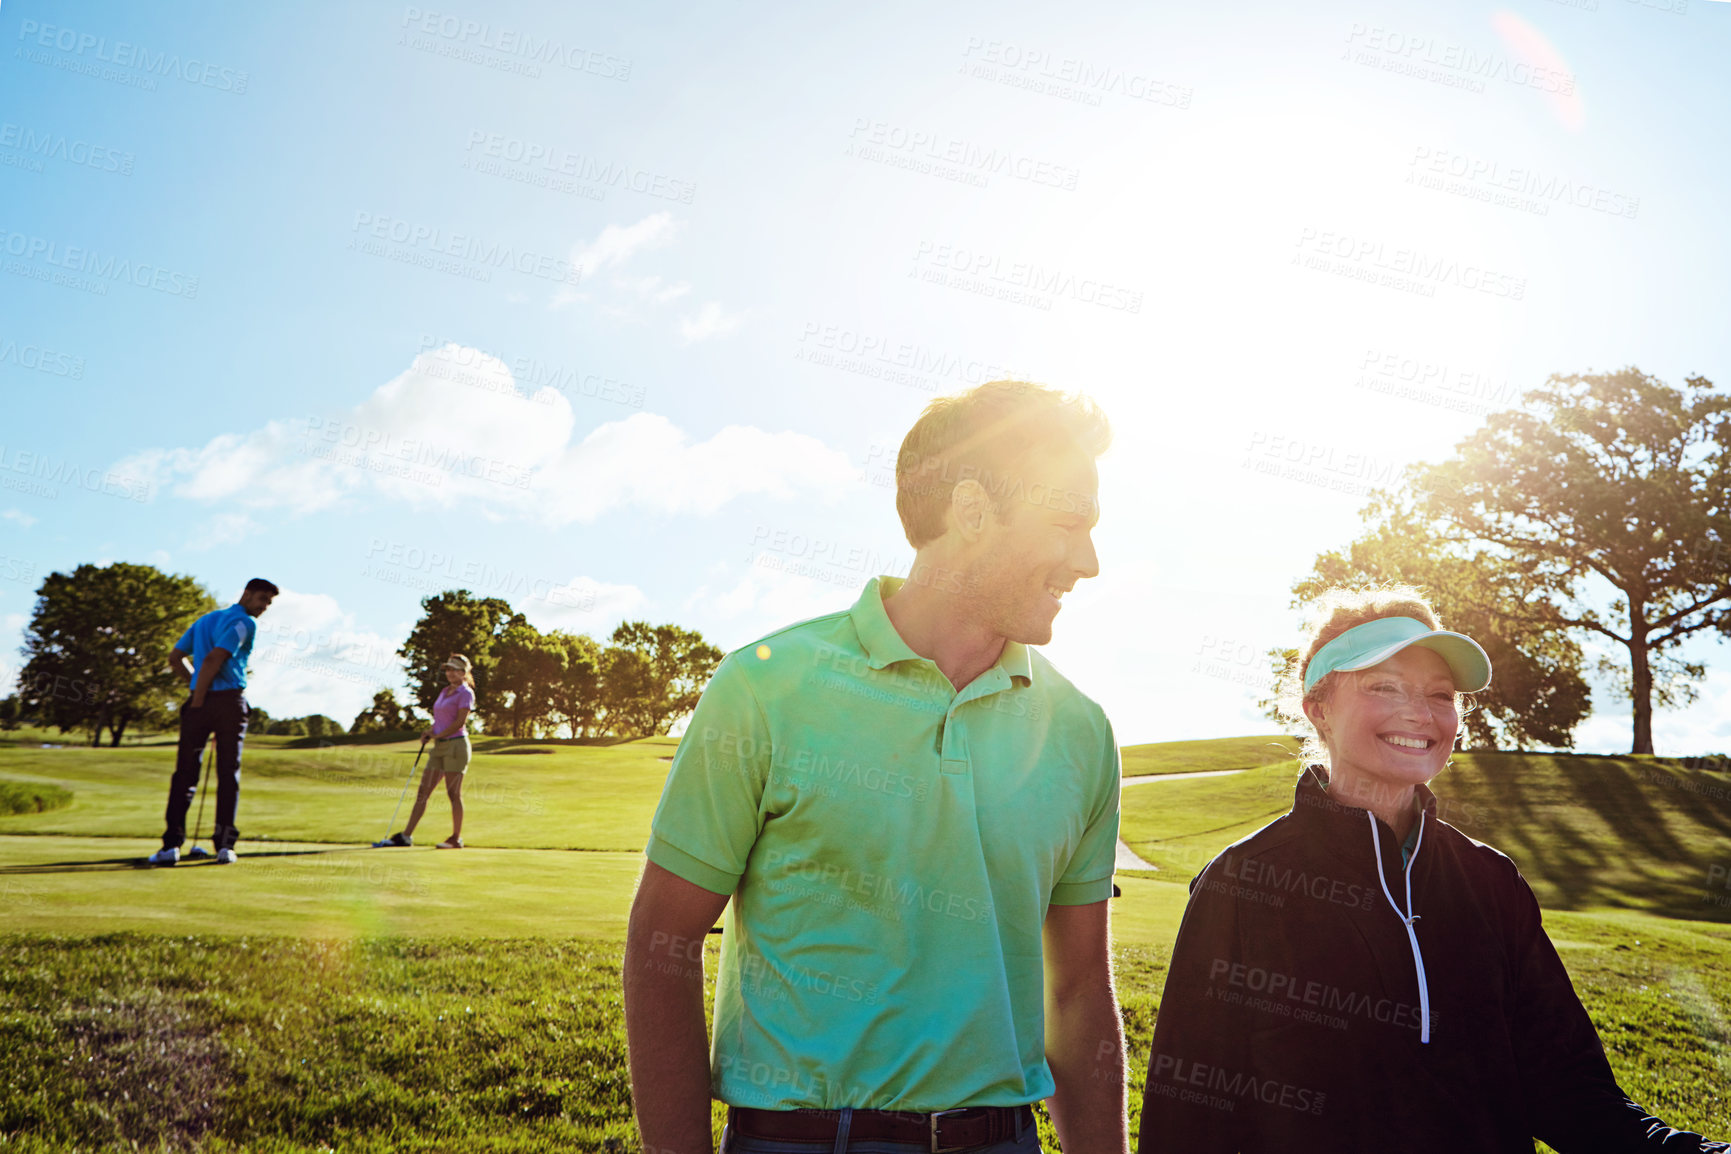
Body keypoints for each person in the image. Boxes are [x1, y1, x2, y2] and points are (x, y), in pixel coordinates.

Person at [624, 381, 1128, 1154]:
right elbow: (663, 939)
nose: (1087, 562)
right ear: (969, 511)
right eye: (1067, 523)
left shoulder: (1080, 732)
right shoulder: (767, 685)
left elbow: (1078, 990)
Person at [1136, 587, 1729, 1153]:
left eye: (1441, 695)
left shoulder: (1491, 883)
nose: (1419, 713)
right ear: (1318, 707)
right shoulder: (1242, 883)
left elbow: (1571, 1093)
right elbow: (1187, 1122)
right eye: (1385, 686)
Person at [149, 577, 278, 866]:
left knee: (185, 773)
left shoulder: (206, 620)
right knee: (227, 772)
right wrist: (199, 698)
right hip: (228, 702)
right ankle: (224, 845)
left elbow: (176, 658)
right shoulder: (245, 623)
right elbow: (213, 661)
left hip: (201, 698)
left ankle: (171, 845)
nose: (264, 607)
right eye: (262, 600)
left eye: (268, 603)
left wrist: (195, 688)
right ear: (246, 594)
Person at [377, 654, 475, 850]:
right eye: (447, 669)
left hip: (456, 746)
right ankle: (406, 836)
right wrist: (431, 732)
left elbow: (459, 722)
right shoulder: (444, 691)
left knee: (453, 793)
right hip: (439, 747)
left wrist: (439, 735)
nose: (449, 673)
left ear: (463, 673)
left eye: (454, 669)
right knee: (423, 791)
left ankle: (456, 838)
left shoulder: (466, 693)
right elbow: (441, 720)